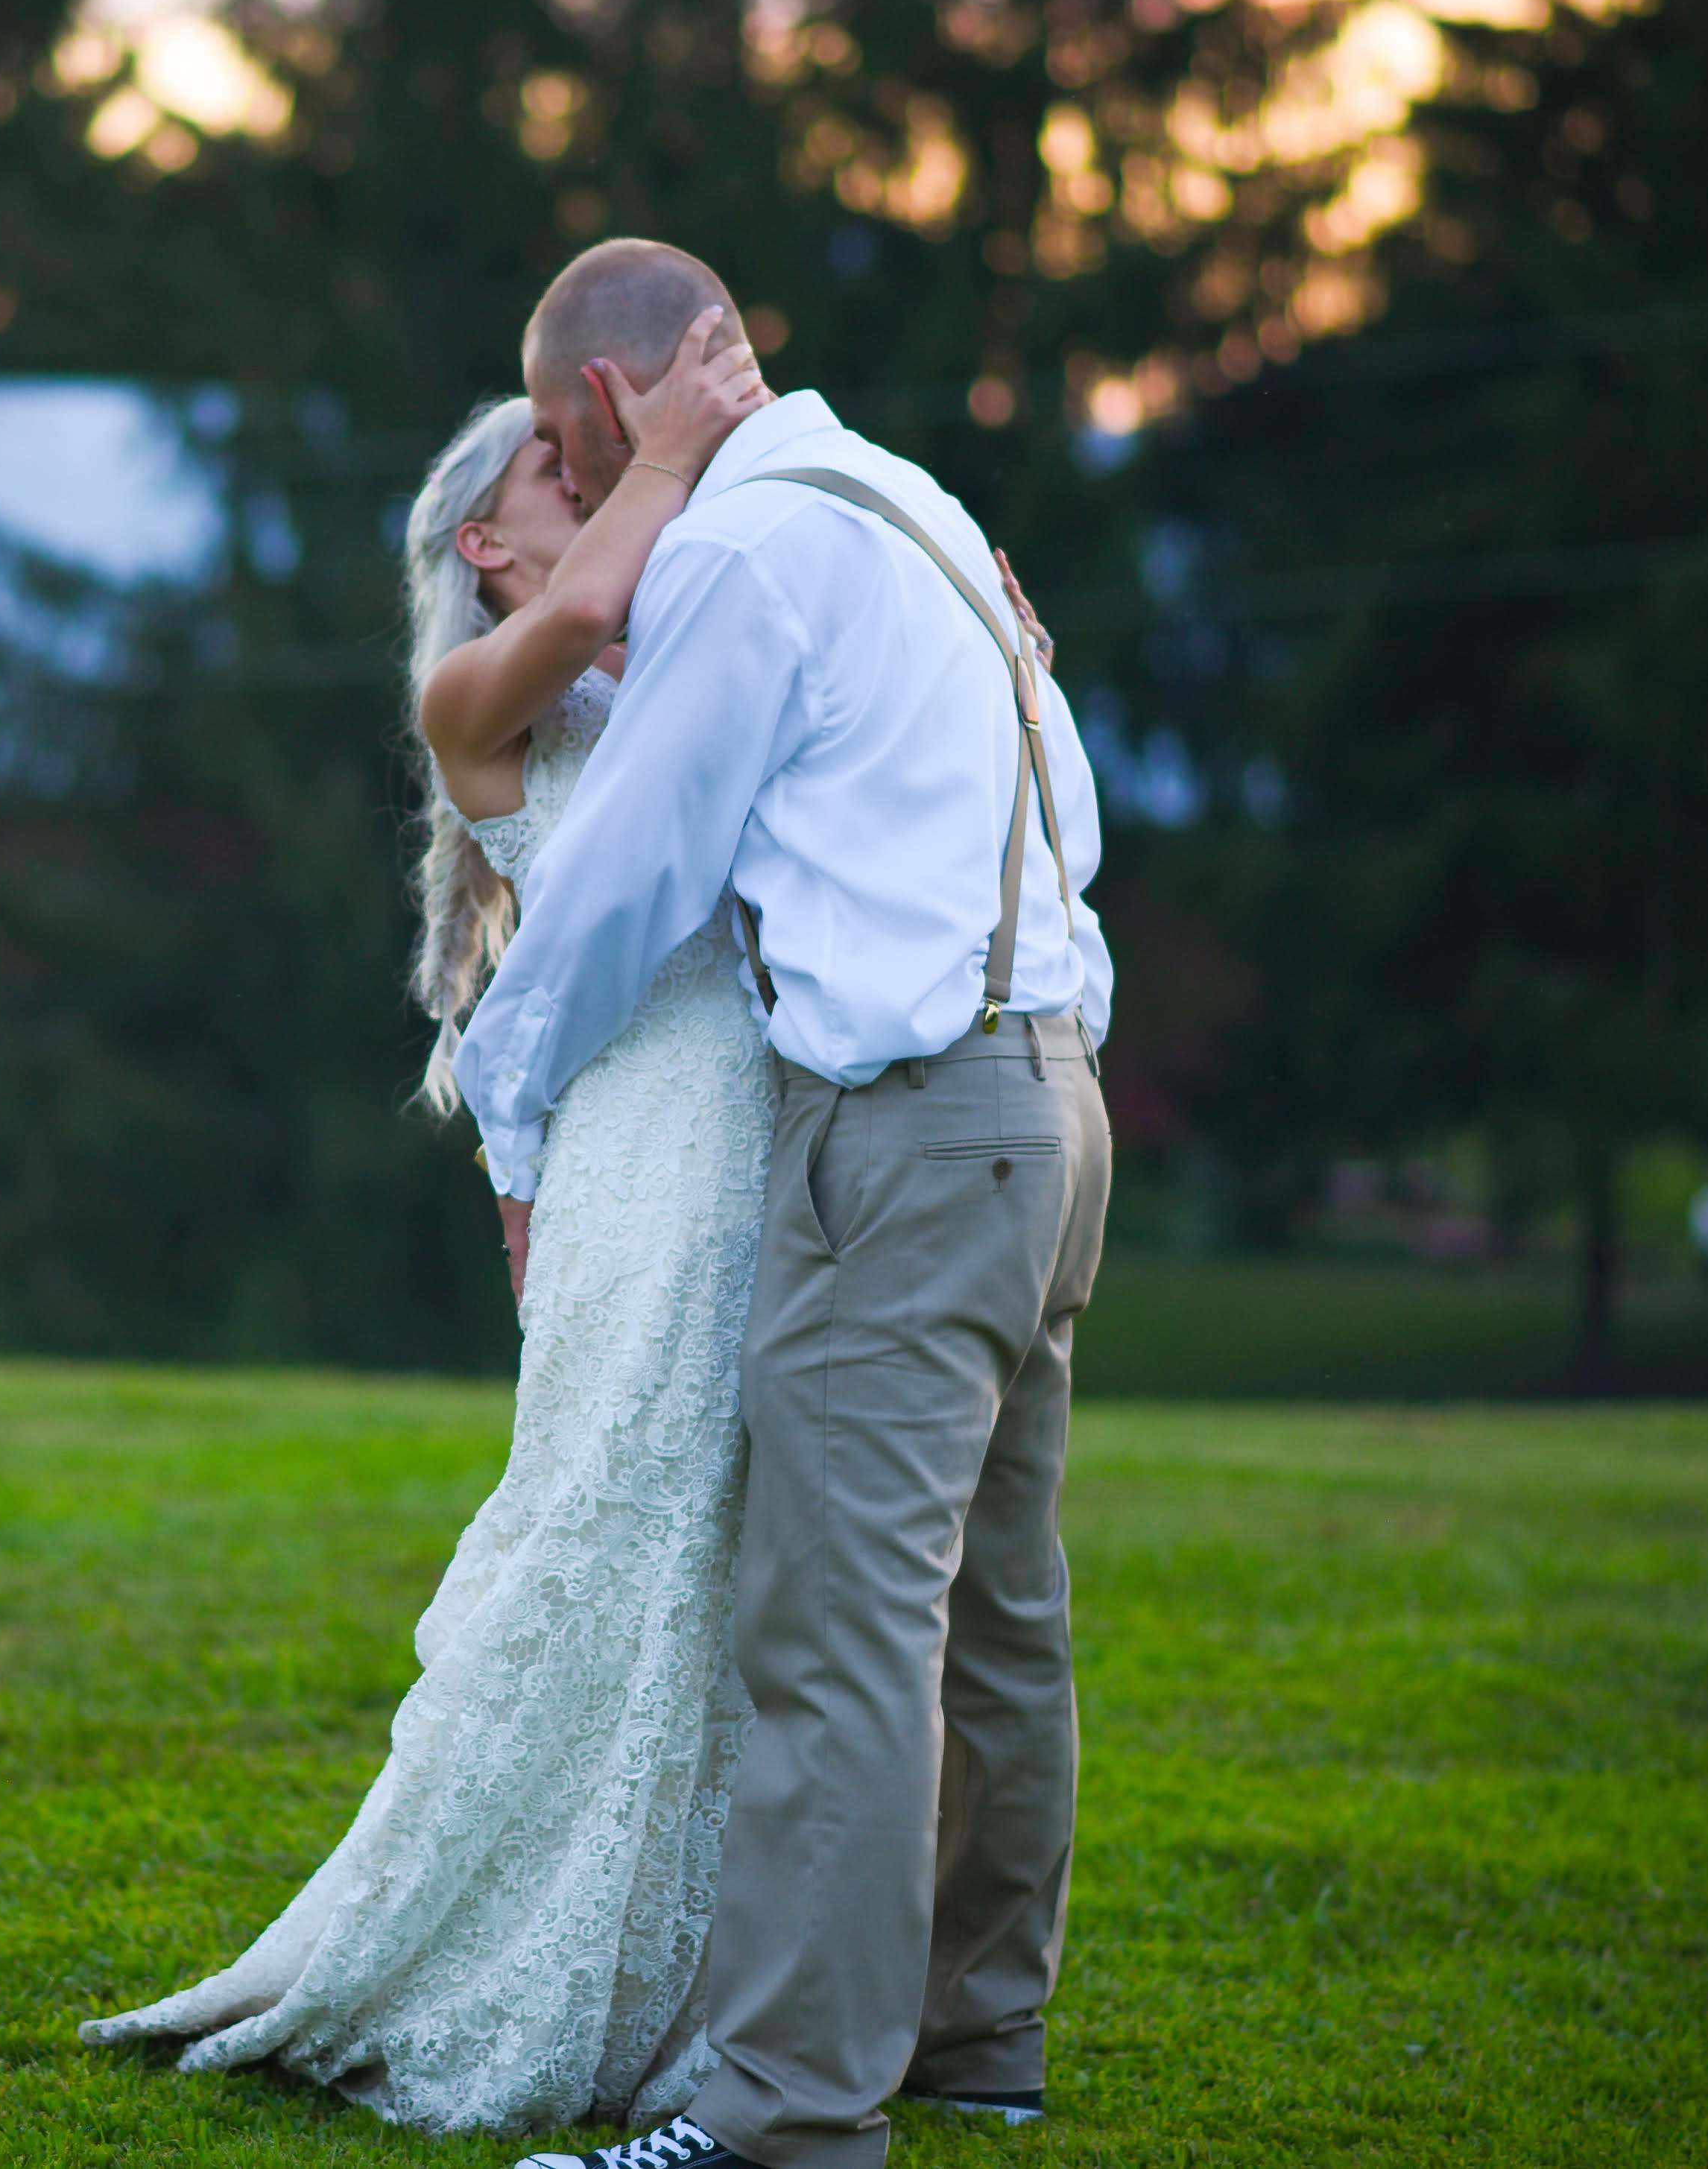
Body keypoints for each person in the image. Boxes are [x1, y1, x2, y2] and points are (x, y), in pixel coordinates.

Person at [80, 311, 785, 2130]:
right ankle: (515, 1955)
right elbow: (592, 603)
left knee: (706, 1544)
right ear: (488, 540)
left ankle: (704, 1977)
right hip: (645, 1142)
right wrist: (684, 442)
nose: (598, 474)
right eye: (561, 467)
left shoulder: (662, 642)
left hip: (745, 1126)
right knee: (602, 1505)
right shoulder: (476, 698)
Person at [462, 241, 1116, 2169]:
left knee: (834, 1636)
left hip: (905, 1132)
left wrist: (511, 1112)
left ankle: (781, 2123)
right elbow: (1066, 810)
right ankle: (980, 2033)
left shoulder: (747, 555)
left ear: (600, 414)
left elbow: (625, 878)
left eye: (580, 481)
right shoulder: (918, 506)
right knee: (1003, 1613)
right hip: (1052, 1097)